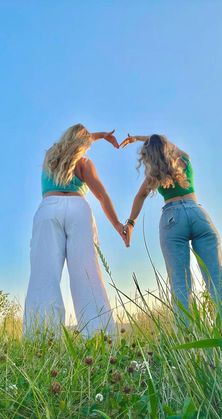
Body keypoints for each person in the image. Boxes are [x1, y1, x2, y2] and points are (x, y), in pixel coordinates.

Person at [23, 123, 125, 339]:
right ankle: (99, 336)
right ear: (84, 143)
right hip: (79, 209)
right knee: (87, 274)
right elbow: (102, 195)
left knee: (44, 274)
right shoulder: (84, 163)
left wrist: (99, 135)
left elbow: (75, 141)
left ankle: (41, 338)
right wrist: (118, 225)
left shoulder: (51, 156)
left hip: (48, 209)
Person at [121, 134, 222, 310]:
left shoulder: (155, 174)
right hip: (197, 213)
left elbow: (140, 196)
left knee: (180, 286)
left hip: (172, 219)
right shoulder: (184, 160)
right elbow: (161, 140)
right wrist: (138, 138)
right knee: (218, 281)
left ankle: (188, 335)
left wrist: (131, 223)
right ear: (168, 147)